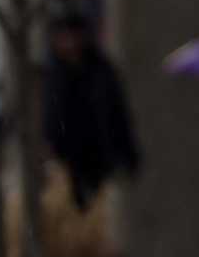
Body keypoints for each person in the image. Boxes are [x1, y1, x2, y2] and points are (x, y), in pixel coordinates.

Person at [43, 12, 140, 210]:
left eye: (73, 36)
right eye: (63, 37)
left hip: (101, 158)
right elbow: (49, 119)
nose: (69, 43)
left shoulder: (101, 70)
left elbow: (117, 114)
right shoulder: (52, 75)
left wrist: (128, 155)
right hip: (65, 163)